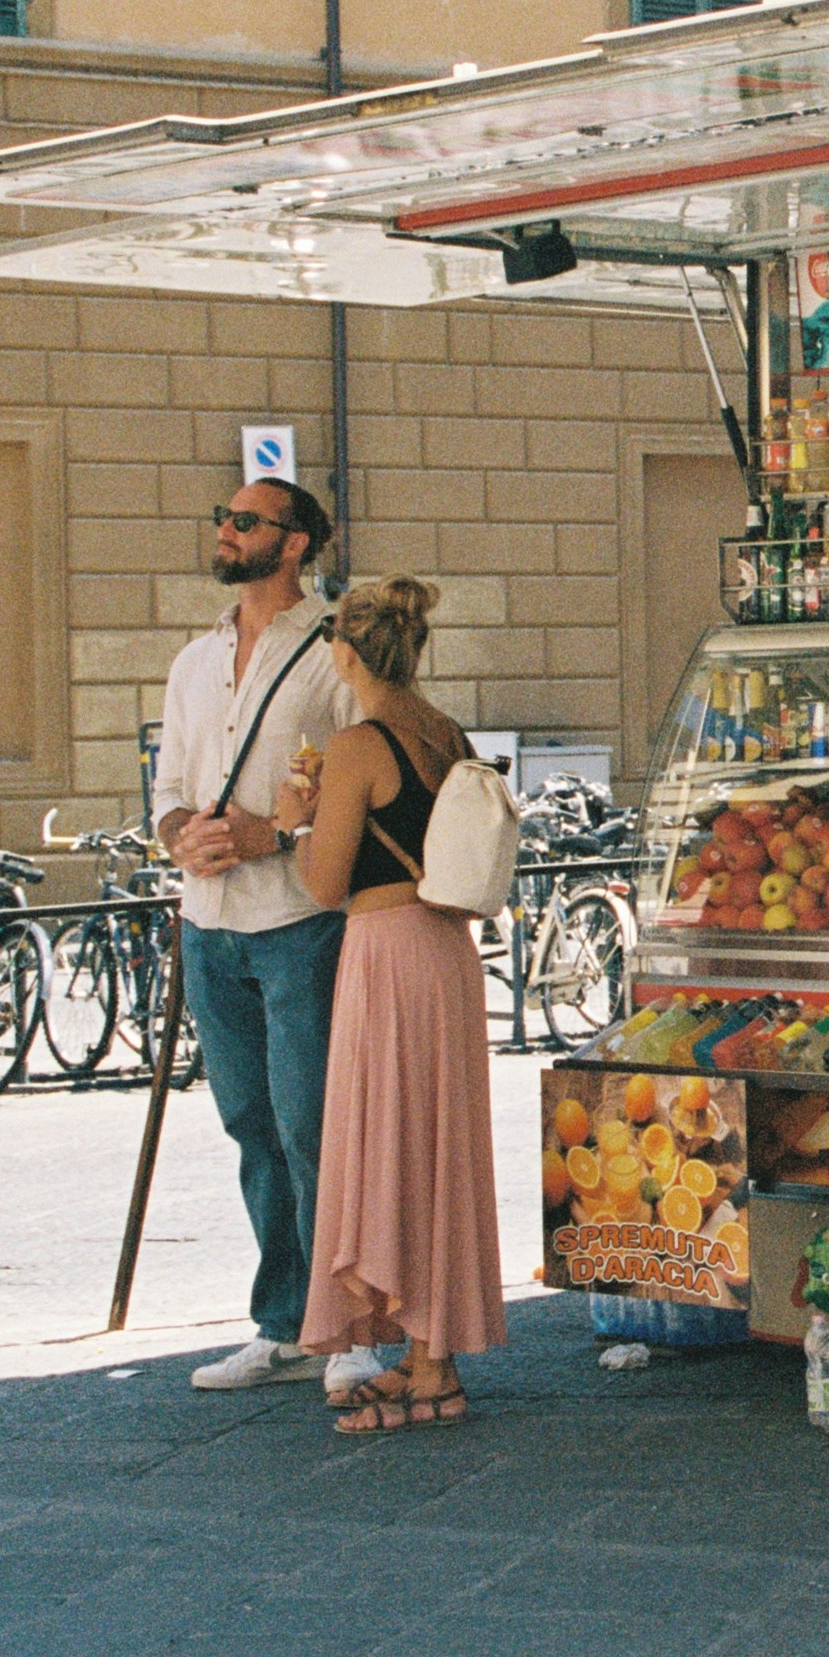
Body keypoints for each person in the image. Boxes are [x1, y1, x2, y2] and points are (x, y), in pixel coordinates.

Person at [272, 575, 507, 1434]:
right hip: (447, 949)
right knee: (437, 1143)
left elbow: (326, 881)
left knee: (389, 1139)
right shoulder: (443, 731)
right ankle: (426, 1349)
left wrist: (296, 818)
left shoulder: (355, 744)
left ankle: (432, 1364)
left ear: (343, 652)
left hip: (386, 951)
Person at [152, 478, 358, 1394]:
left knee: (313, 1123)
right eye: (223, 519)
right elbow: (165, 791)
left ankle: (345, 1326)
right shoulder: (193, 661)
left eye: (246, 521)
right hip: (210, 925)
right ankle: (282, 1324)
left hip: (297, 920)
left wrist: (272, 834)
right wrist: (181, 837)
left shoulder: (332, 654)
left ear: (296, 543)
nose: (226, 533)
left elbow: (367, 788)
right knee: (249, 1123)